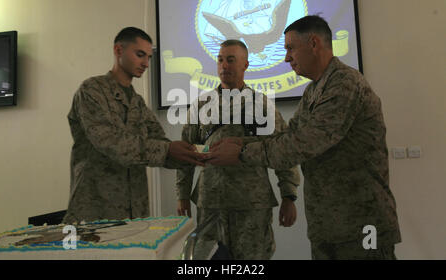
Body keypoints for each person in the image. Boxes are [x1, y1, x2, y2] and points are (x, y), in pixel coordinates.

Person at [205, 16, 401, 260]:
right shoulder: (314, 90)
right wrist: (240, 143)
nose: (287, 57)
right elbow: (289, 135)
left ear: (314, 43)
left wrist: (241, 153)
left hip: (360, 226)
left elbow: (301, 145)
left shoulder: (345, 85)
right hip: (329, 226)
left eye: (290, 48)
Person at [63, 27, 203, 224]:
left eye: (149, 57)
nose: (145, 63)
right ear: (118, 50)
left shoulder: (137, 102)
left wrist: (198, 154)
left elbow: (161, 144)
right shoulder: (92, 90)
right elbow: (111, 142)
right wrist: (168, 150)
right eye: (140, 55)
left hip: (134, 213)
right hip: (95, 211)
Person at [176, 39, 301, 260]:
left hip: (251, 205)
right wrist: (182, 195)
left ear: (245, 65)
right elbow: (186, 152)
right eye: (221, 60)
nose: (224, 66)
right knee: (209, 261)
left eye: (231, 60)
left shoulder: (262, 105)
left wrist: (289, 197)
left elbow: (284, 151)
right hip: (211, 204)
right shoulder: (202, 106)